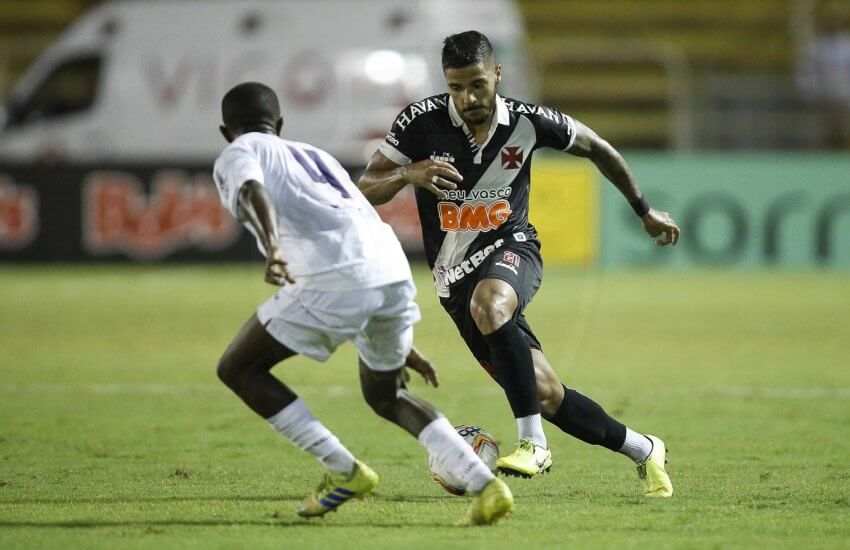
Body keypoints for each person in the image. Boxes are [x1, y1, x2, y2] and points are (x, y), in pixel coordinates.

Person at [358, 31, 678, 497]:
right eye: (456, 87)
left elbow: (599, 147)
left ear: (497, 75)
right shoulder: (419, 122)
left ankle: (534, 444)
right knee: (546, 393)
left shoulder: (529, 121)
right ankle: (644, 449)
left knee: (490, 304)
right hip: (454, 282)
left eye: (477, 84)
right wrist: (410, 173)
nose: (467, 98)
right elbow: (363, 185)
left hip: (514, 249)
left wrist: (643, 210)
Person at [211, 81, 513, 524]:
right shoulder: (317, 156)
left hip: (334, 275)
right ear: (279, 124)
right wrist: (388, 324)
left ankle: (344, 471)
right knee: (387, 394)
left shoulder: (238, 152)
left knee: (238, 368)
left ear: (226, 131)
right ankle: (487, 486)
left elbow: (253, 191)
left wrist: (274, 248)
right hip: (389, 270)